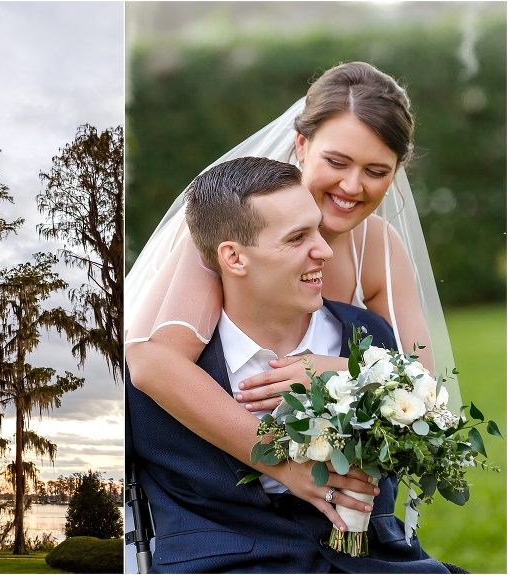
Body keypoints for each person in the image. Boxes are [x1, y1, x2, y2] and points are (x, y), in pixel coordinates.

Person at [124, 62, 461, 522]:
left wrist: (336, 373)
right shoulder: (240, 224)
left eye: (376, 171)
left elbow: (423, 385)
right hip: (233, 503)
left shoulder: (380, 248)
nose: (351, 186)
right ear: (302, 145)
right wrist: (283, 463)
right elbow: (152, 362)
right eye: (337, 162)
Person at [125, 155, 449, 573]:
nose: (325, 250)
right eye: (297, 238)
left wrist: (359, 376)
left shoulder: (371, 341)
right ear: (234, 258)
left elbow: (421, 441)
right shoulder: (155, 383)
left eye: (317, 228)